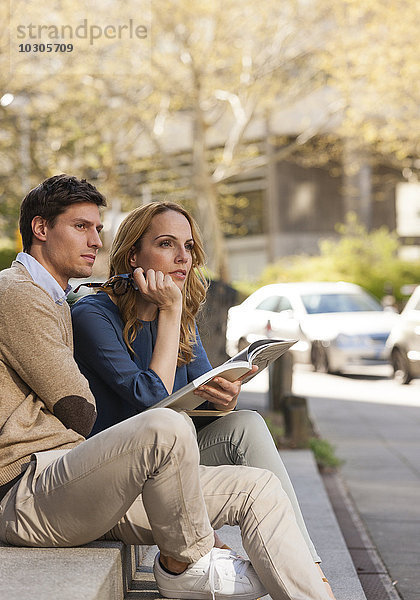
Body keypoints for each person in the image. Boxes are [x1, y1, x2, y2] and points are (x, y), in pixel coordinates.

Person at [0, 175, 332, 600]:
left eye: (97, 229)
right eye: (81, 227)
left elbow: (183, 400)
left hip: (81, 476)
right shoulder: (25, 293)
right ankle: (186, 563)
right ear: (41, 229)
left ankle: (314, 584)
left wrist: (222, 396)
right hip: (30, 485)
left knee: (257, 483)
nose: (95, 241)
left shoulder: (55, 297)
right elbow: (82, 411)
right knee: (164, 424)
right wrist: (170, 314)